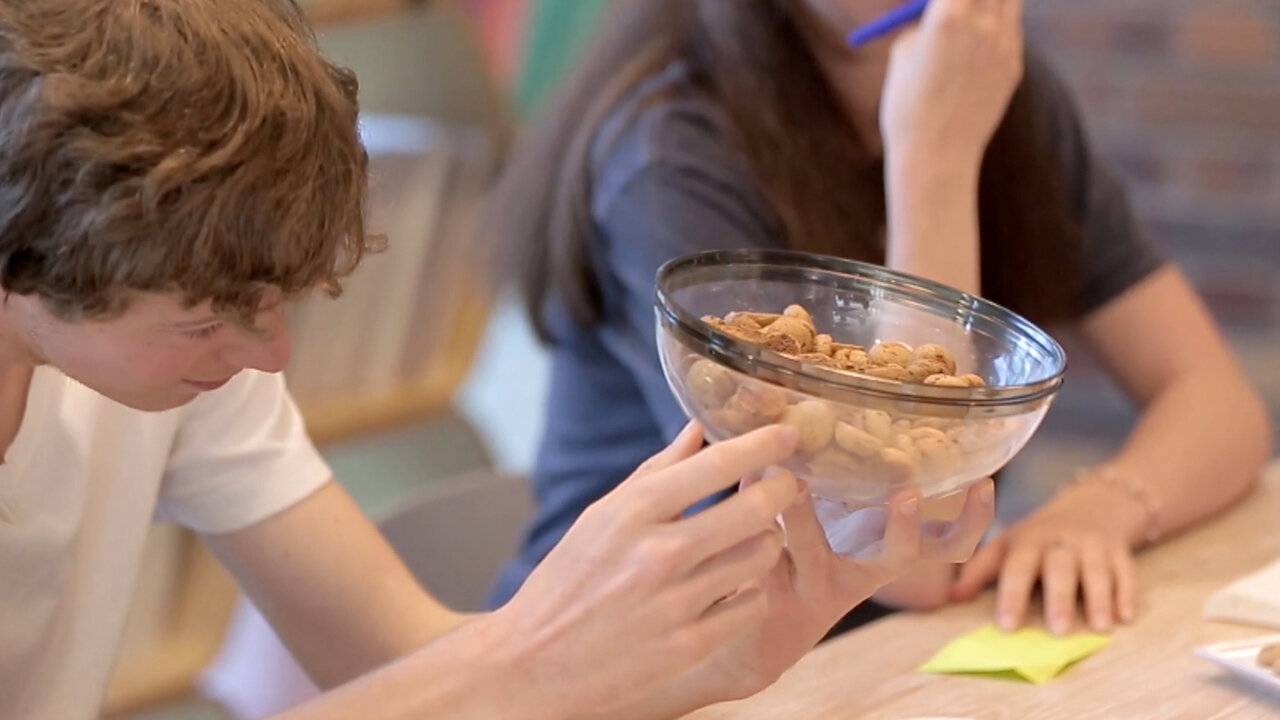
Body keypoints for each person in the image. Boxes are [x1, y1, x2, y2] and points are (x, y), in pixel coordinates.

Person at [0, 2, 995, 719]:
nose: (272, 352)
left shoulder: (188, 364)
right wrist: (526, 653)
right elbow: (478, 680)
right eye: (204, 321)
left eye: (275, 303)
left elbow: (396, 658)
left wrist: (711, 657)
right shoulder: (666, 145)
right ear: (20, 261)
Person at [490, 0, 1273, 636]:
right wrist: (934, 161)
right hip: (637, 663)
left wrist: (1105, 506)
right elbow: (901, 553)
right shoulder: (669, 149)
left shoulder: (993, 88)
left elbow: (1220, 405)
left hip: (860, 652)